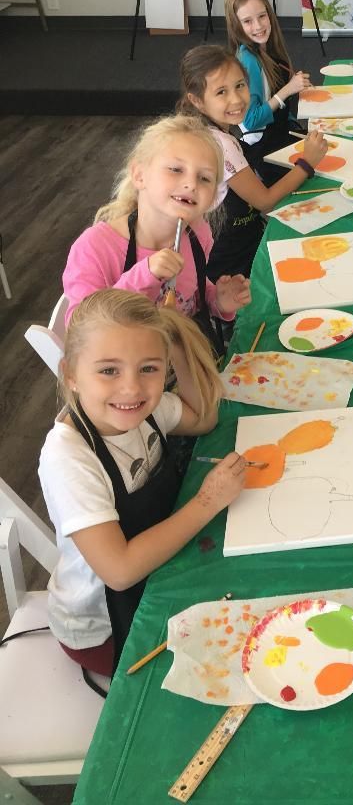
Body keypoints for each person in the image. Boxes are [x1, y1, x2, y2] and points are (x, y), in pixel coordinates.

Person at [39, 289, 246, 676]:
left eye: (149, 368)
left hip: (154, 573)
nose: (131, 388)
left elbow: (203, 419)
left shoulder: (142, 411)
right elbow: (118, 570)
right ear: (71, 374)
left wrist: (179, 348)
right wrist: (207, 501)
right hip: (106, 628)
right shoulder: (68, 456)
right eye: (108, 370)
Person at [63, 114, 251, 336]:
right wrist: (145, 275)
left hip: (184, 360)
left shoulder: (198, 235)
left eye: (205, 178)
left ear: (213, 198)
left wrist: (218, 300)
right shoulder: (95, 247)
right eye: (175, 169)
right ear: (139, 175)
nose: (191, 184)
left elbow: (191, 296)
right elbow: (80, 330)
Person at [177, 45, 328, 280]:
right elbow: (265, 202)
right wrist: (307, 162)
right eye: (221, 92)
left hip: (233, 249)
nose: (236, 99)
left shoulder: (204, 132)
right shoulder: (221, 145)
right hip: (230, 265)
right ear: (196, 101)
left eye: (240, 86)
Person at [224, 0, 311, 180]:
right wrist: (288, 90)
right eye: (247, 21)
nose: (258, 26)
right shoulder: (248, 60)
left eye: (262, 16)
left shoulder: (267, 48)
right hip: (265, 148)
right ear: (236, 26)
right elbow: (251, 120)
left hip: (282, 132)